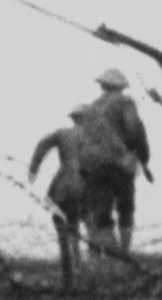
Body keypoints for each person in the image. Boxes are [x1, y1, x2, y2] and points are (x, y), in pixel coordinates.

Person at [85, 68, 151, 252]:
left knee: (102, 211)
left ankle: (111, 252)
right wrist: (142, 155)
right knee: (125, 209)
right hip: (120, 164)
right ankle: (124, 253)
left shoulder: (92, 108)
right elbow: (134, 129)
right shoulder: (125, 102)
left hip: (96, 166)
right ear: (121, 86)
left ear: (102, 85)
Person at [29, 104, 95, 268]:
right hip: (84, 182)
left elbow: (42, 146)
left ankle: (71, 261)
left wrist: (34, 169)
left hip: (62, 183)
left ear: (73, 118)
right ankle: (89, 261)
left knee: (63, 220)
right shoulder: (94, 137)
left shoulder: (62, 133)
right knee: (88, 221)